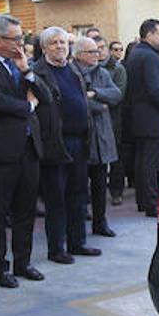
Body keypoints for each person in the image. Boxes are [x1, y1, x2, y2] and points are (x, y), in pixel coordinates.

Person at [0, 15, 52, 287]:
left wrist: (27, 71)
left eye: (21, 38)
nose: (20, 43)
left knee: (25, 210)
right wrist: (27, 107)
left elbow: (46, 97)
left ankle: (23, 262)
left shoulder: (21, 66)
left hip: (28, 149)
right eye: (15, 38)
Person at [32, 28, 101, 262]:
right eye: (54, 43)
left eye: (63, 42)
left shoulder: (73, 70)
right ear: (44, 48)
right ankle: (56, 248)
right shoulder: (38, 72)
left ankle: (77, 242)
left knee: (78, 195)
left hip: (79, 141)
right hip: (55, 144)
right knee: (56, 199)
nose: (60, 46)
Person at [124, 18, 159, 216]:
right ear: (149, 35)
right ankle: (152, 203)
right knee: (150, 164)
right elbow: (154, 89)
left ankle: (144, 201)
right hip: (152, 117)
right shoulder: (150, 57)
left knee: (143, 161)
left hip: (141, 117)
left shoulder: (137, 53)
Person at [75, 35, 122, 238]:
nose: (97, 55)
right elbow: (77, 102)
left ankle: (100, 222)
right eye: (91, 52)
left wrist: (94, 93)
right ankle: (77, 227)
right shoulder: (72, 72)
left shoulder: (102, 73)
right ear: (78, 55)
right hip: (82, 137)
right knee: (78, 187)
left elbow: (116, 94)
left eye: (97, 51)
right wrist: (98, 105)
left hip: (102, 137)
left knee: (100, 184)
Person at [104, 40, 128, 206]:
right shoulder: (89, 69)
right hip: (96, 118)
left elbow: (117, 94)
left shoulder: (118, 69)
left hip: (114, 118)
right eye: (115, 49)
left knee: (116, 158)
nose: (117, 52)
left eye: (120, 49)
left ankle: (116, 191)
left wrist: (96, 96)